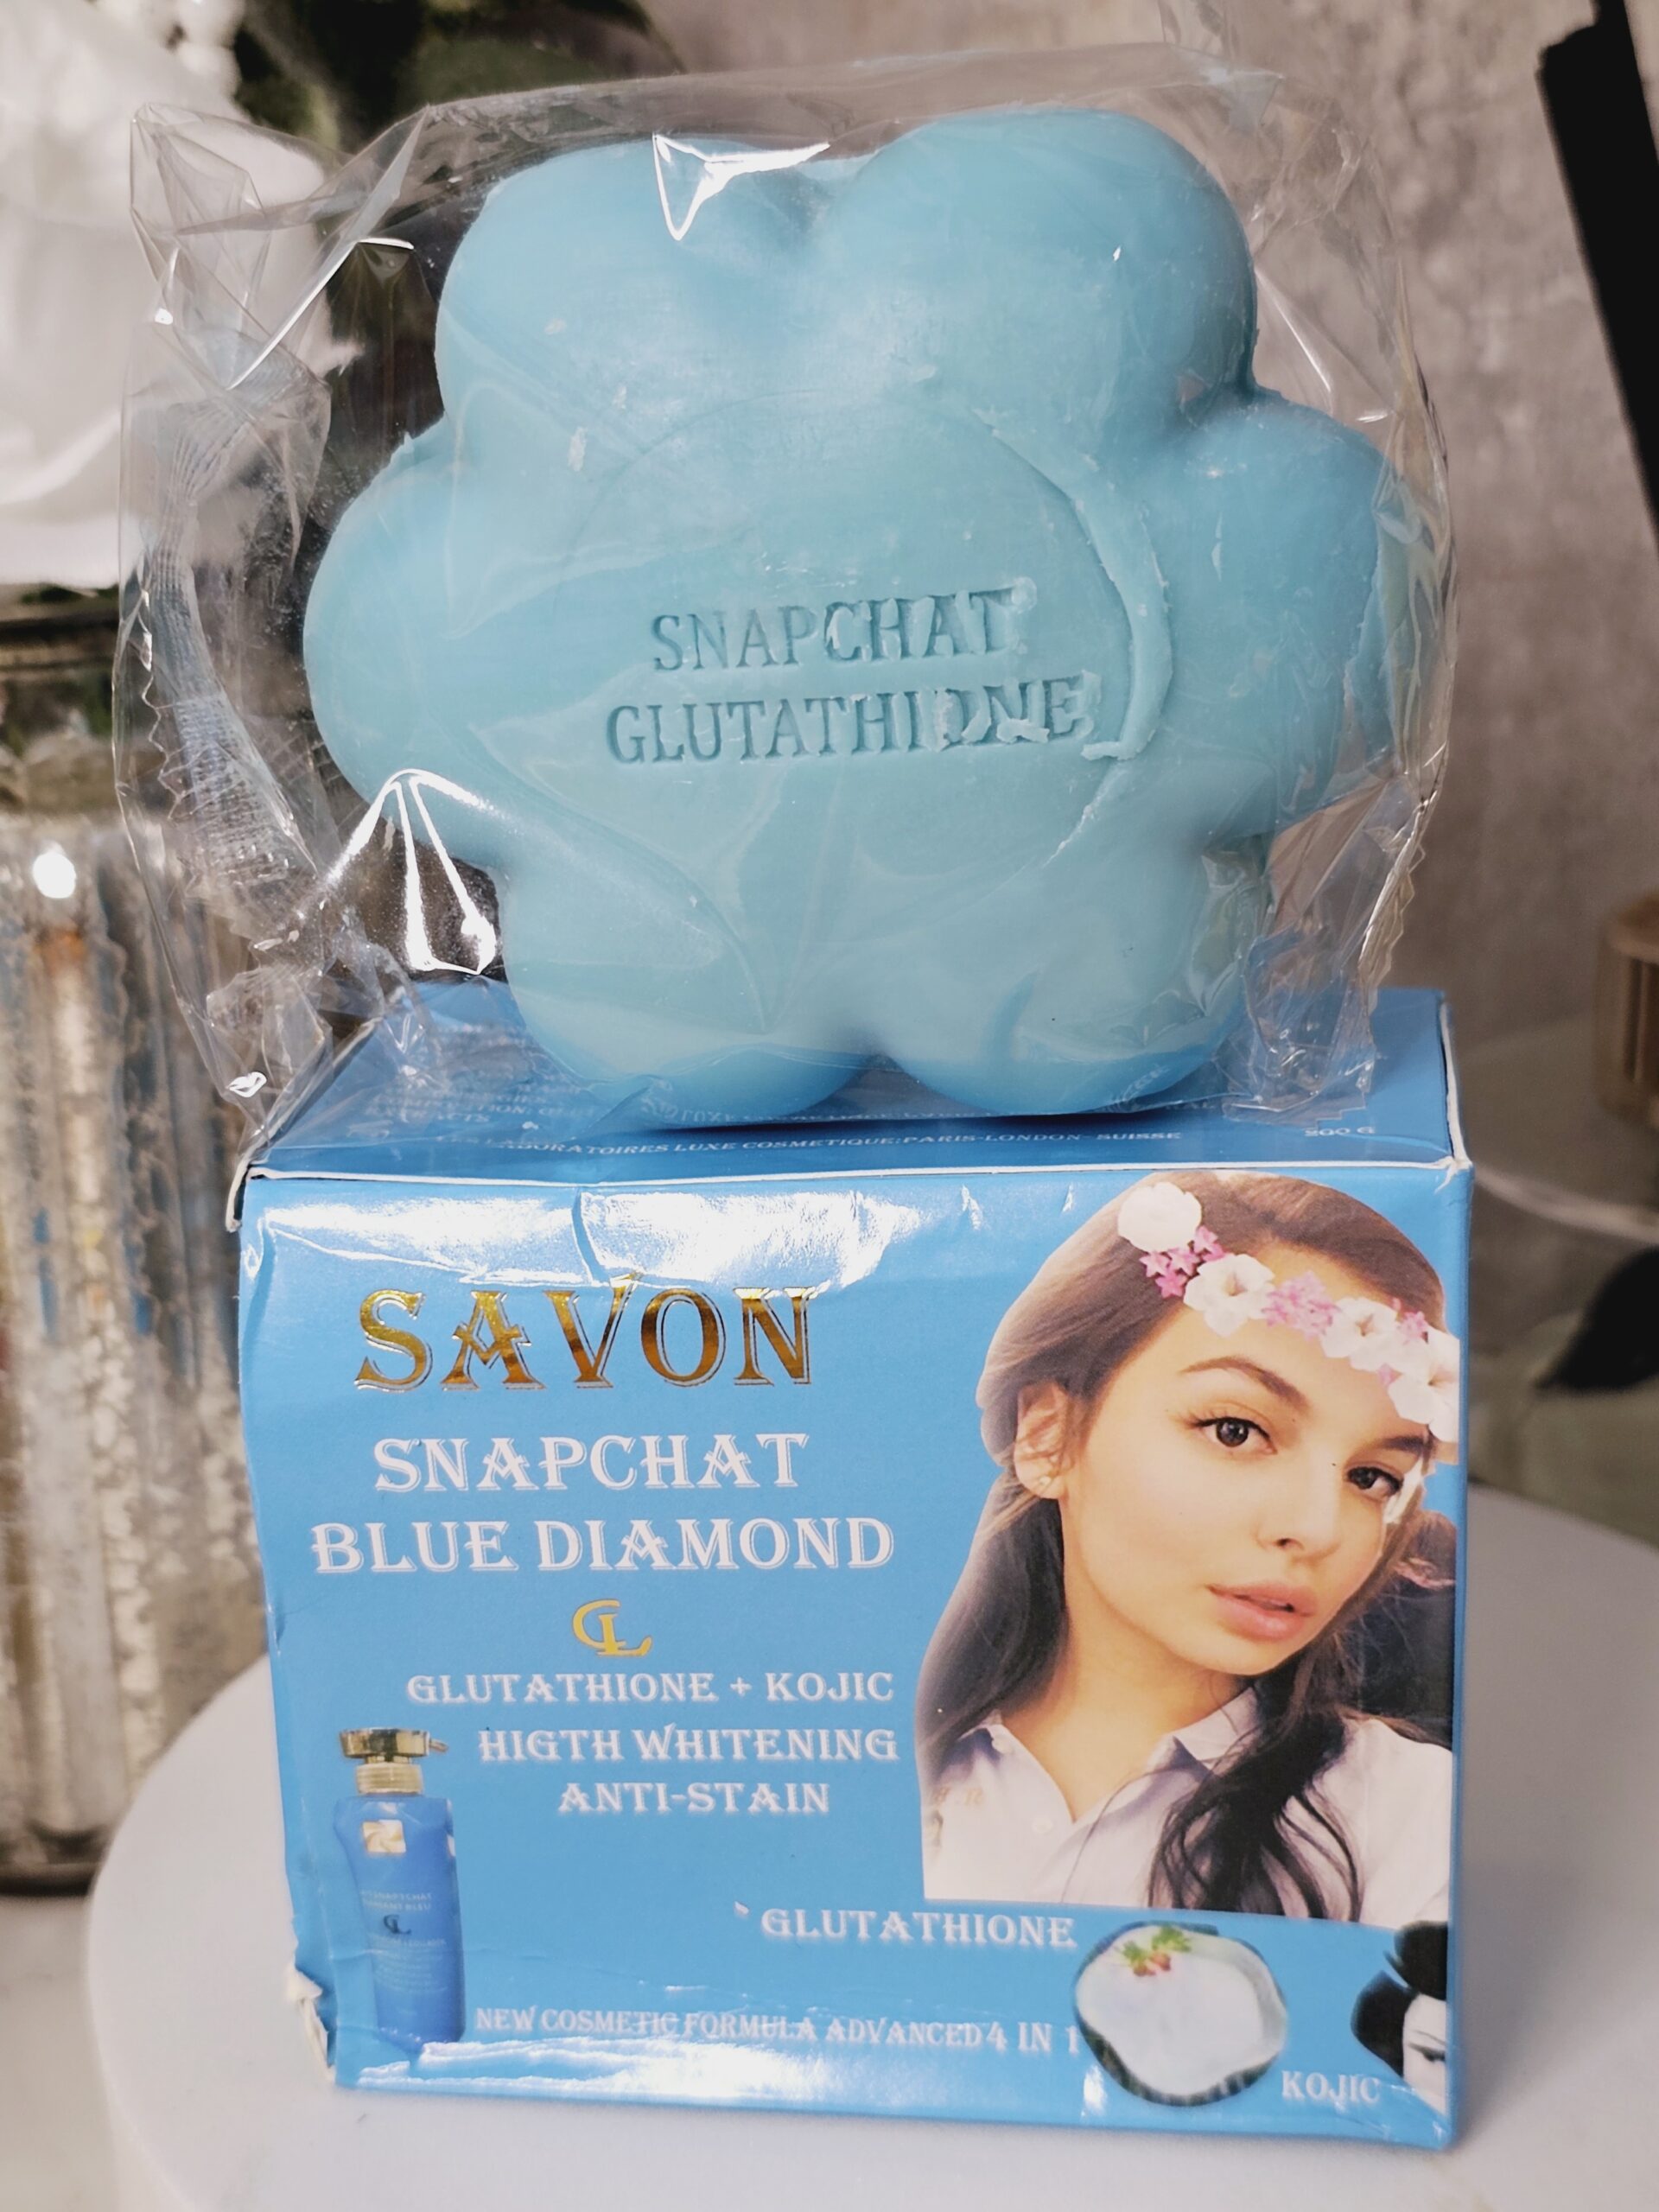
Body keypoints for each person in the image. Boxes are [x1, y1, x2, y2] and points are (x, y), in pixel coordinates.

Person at [918, 1170, 1458, 1924]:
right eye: (1236, 1431)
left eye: (1372, 1478)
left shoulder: (1413, 1817)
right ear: (1047, 1435)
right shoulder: (849, 1756)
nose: (1318, 1528)